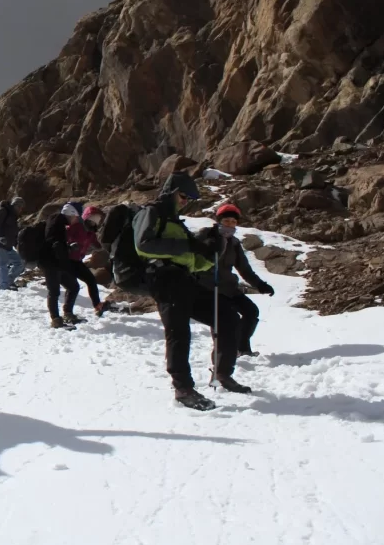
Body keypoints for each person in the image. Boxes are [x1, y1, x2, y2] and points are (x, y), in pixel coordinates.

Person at [133, 171, 250, 411]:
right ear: (171, 192)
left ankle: (222, 373)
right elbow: (143, 245)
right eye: (183, 195)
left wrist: (210, 254)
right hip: (163, 278)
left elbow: (193, 262)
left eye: (188, 198)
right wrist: (186, 245)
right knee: (178, 332)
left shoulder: (176, 222)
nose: (185, 201)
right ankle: (183, 388)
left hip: (185, 279)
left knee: (226, 316)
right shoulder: (151, 212)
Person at [194, 204, 274, 356]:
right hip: (209, 287)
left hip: (229, 287)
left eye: (233, 222)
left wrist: (260, 285)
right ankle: (222, 351)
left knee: (251, 312)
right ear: (219, 221)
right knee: (223, 318)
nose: (230, 224)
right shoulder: (205, 236)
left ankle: (241, 348)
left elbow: (244, 269)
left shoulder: (234, 243)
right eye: (226, 221)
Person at [62, 204, 106, 317]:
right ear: (87, 217)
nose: (95, 221)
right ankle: (67, 312)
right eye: (93, 218)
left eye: (97, 219)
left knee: (91, 280)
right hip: (67, 260)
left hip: (77, 261)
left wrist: (107, 247)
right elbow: (65, 238)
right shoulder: (76, 226)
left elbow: (97, 245)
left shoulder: (91, 232)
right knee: (73, 286)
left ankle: (97, 305)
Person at [0, 197, 26, 290]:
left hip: (8, 246)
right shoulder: (3, 210)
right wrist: (0, 237)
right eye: (19, 206)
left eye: (21, 207)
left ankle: (8, 281)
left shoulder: (14, 217)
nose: (20, 209)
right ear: (14, 205)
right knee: (2, 263)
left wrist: (17, 244)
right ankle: (3, 287)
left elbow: (13, 233)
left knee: (20, 263)